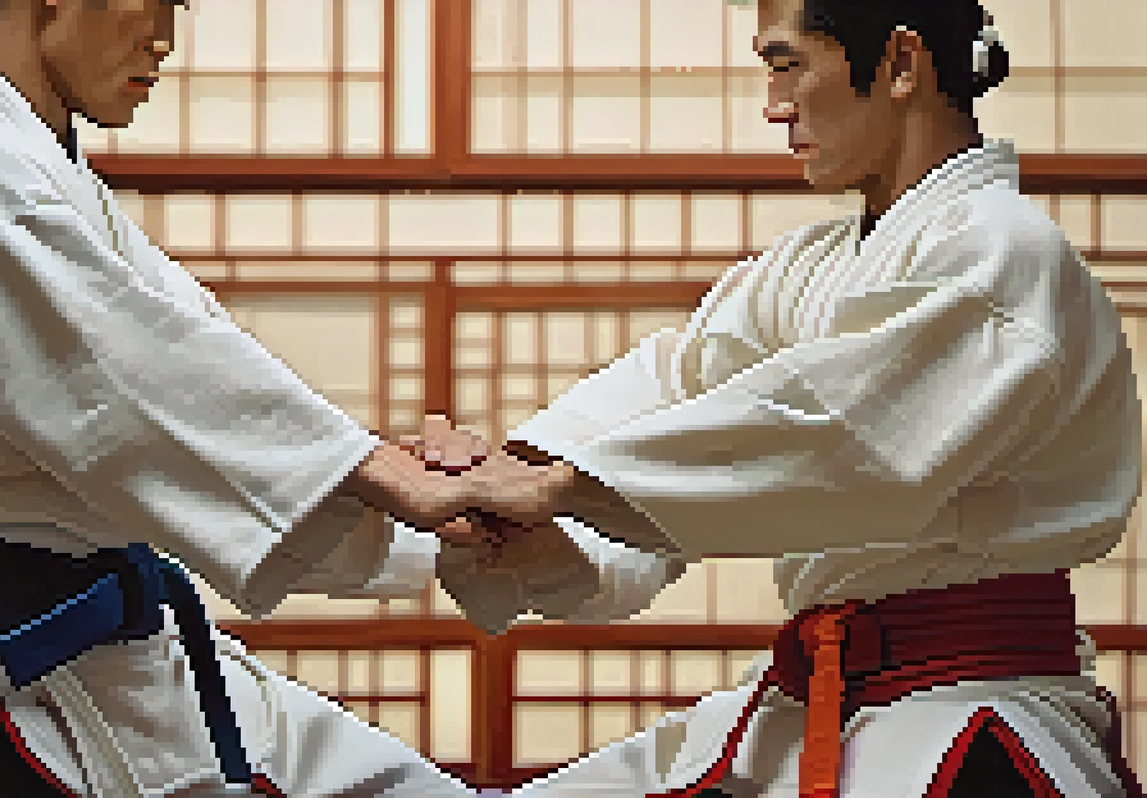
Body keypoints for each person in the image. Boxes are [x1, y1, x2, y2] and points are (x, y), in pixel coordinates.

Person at [0, 0, 682, 796]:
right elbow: (141, 392)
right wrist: (390, 477)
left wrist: (408, 494)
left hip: (113, 654)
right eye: (156, 0)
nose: (168, 35)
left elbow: (188, 389)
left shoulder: (34, 171)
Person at [418, 0, 1147, 795]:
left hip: (971, 705)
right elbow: (675, 392)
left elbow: (839, 442)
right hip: (830, 695)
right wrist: (509, 486)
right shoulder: (806, 267)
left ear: (901, 65)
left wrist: (560, 487)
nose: (772, 106)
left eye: (786, 65)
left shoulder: (1003, 251)